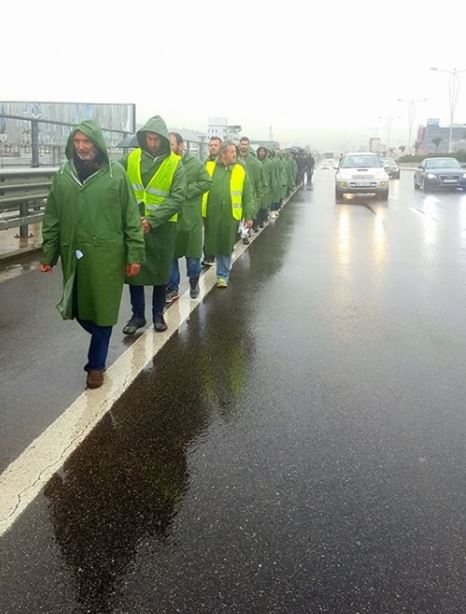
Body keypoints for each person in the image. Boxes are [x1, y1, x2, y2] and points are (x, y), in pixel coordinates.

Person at [39, 120, 144, 389]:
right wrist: (48, 253)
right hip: (73, 253)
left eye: (87, 142)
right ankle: (98, 346)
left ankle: (95, 365)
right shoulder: (63, 175)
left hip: (107, 255)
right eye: (77, 142)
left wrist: (134, 254)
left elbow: (131, 217)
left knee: (103, 309)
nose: (82, 147)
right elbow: (52, 217)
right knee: (79, 309)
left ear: (97, 144)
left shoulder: (116, 175)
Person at [121, 115, 186, 334]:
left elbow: (177, 198)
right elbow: (116, 181)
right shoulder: (131, 158)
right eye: (148, 139)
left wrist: (153, 220)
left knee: (160, 271)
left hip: (162, 226)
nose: (152, 143)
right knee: (134, 271)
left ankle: (158, 314)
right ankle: (137, 315)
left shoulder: (175, 163)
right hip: (134, 223)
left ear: (163, 141)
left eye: (156, 140)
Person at [165, 132, 212, 302]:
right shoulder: (165, 164)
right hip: (172, 218)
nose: (169, 148)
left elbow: (207, 182)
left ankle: (193, 282)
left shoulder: (195, 164)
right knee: (171, 256)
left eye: (171, 144)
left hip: (191, 218)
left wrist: (187, 192)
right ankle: (172, 288)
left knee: (193, 258)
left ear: (180, 145)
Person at [202, 140, 254, 288]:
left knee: (225, 244)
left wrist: (248, 215)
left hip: (230, 214)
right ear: (223, 153)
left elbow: (247, 195)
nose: (235, 154)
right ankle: (208, 262)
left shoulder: (239, 170)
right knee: (210, 242)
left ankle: (222, 275)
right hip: (211, 213)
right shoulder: (209, 167)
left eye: (235, 152)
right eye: (232, 152)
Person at [237, 136, 265, 242]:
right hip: (236, 192)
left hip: (250, 192)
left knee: (248, 214)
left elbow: (259, 181)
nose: (243, 146)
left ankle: (245, 234)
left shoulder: (255, 163)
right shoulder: (234, 160)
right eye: (242, 144)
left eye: (245, 144)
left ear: (249, 146)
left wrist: (259, 196)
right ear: (239, 145)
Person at [202, 136, 223, 267]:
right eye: (211, 145)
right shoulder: (204, 163)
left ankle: (217, 254)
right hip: (206, 203)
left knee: (218, 231)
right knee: (209, 231)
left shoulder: (224, 165)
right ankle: (208, 255)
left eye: (215, 145)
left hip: (221, 204)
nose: (212, 147)